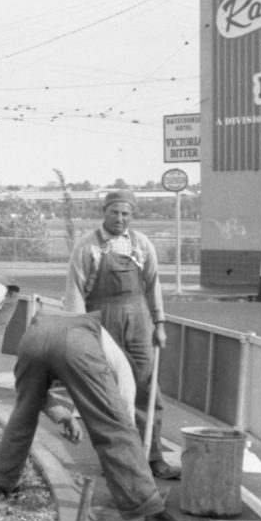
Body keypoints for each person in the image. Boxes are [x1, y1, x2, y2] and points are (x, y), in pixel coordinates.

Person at [0, 309, 190, 521]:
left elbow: (34, 393)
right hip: (76, 344)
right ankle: (153, 514)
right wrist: (131, 445)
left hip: (32, 338)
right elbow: (121, 414)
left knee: (23, 414)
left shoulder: (73, 323)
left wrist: (61, 415)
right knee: (113, 429)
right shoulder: (119, 361)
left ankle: (1, 482)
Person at [63, 188, 180, 480]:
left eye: (125, 213)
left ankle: (153, 458)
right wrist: (80, 333)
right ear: (104, 212)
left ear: (132, 215)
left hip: (139, 322)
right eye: (114, 212)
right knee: (109, 393)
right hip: (102, 322)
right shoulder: (87, 246)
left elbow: (153, 284)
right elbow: (75, 291)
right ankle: (115, 461)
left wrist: (160, 324)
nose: (119, 218)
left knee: (147, 389)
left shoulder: (141, 244)